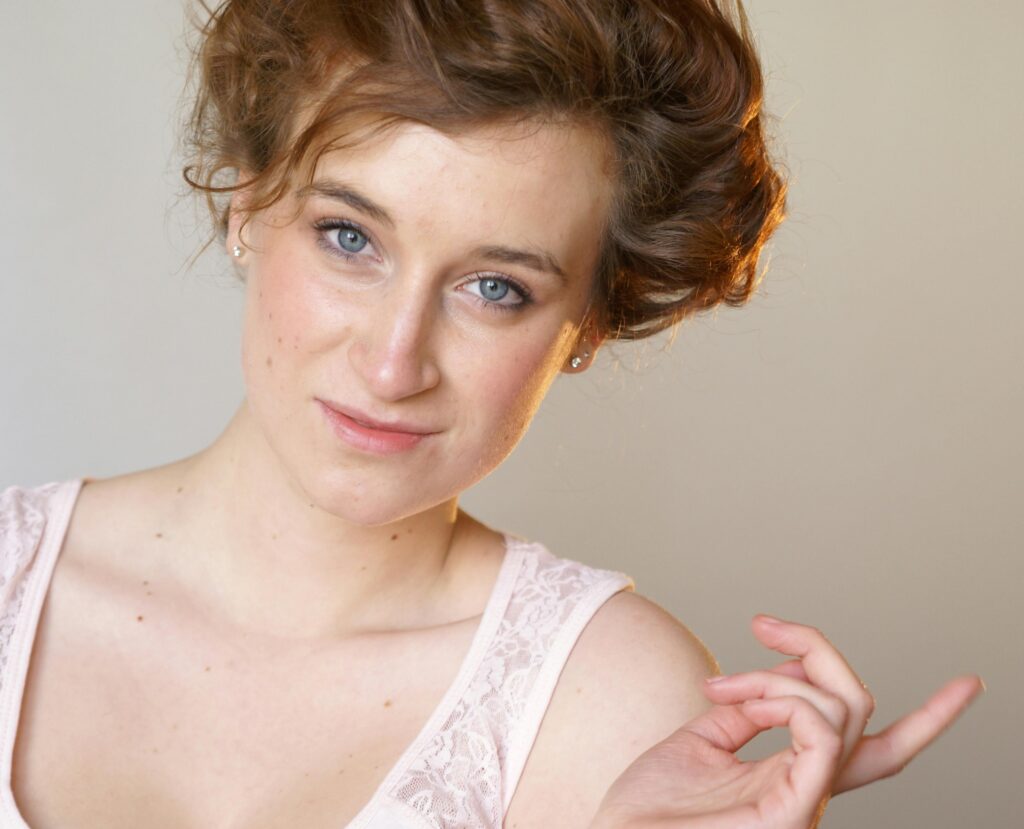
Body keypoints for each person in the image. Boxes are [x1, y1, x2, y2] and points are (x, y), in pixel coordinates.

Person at [0, 1, 983, 827]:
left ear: (592, 317)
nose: (392, 364)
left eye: (496, 288)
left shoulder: (618, 703)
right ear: (248, 205)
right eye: (349, 236)